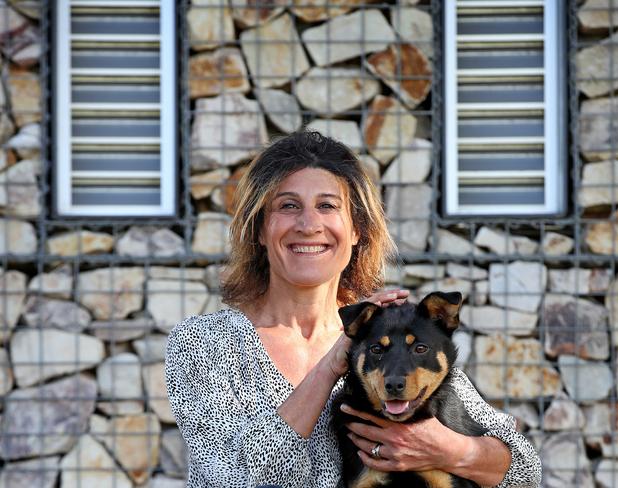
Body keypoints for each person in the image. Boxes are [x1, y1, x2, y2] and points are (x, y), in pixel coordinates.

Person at [165, 131, 542, 488]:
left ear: (357, 229)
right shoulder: (204, 344)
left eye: (327, 206)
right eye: (288, 206)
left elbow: (524, 470)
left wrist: (451, 450)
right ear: (260, 230)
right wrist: (330, 368)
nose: (309, 224)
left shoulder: (386, 337)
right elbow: (229, 476)